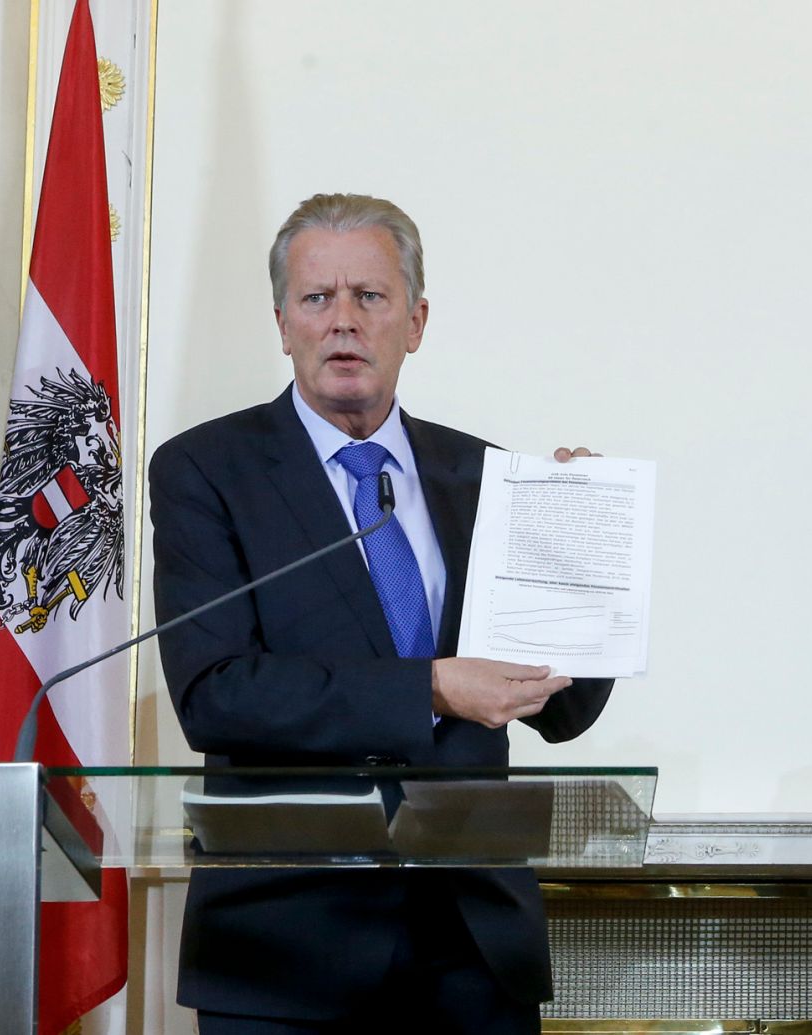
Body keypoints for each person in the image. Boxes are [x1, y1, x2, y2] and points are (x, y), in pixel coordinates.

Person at [149, 192, 614, 1034]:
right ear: (283, 323)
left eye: (370, 296)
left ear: (416, 320)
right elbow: (216, 691)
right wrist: (430, 688)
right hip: (283, 954)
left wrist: (577, 549)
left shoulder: (486, 478)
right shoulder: (205, 471)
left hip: (472, 952)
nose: (342, 322)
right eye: (316, 298)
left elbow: (566, 711)